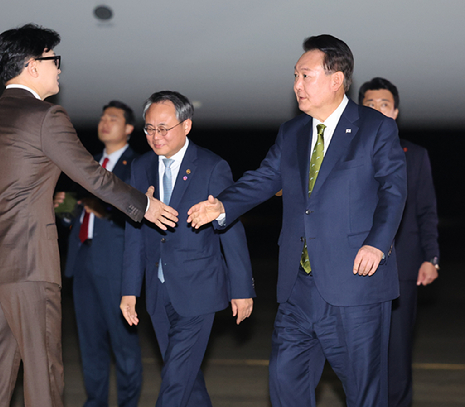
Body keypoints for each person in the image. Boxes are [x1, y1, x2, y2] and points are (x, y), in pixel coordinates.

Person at [187, 35, 407, 407]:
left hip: (355, 285)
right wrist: (222, 206)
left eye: (305, 76)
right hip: (298, 287)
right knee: (285, 380)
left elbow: (393, 191)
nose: (296, 86)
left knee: (364, 392)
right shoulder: (292, 133)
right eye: (295, 76)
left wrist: (376, 242)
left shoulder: (375, 129)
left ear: (336, 79)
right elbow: (263, 178)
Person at [0, 24, 177, 407]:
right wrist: (144, 205)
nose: (59, 70)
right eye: (54, 60)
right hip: (31, 270)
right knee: (43, 376)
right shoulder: (45, 117)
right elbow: (93, 175)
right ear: (33, 65)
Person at [120, 91, 255, 407]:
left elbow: (231, 228)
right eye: (150, 128)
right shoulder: (140, 168)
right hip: (157, 290)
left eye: (164, 128)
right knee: (187, 380)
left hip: (199, 289)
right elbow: (134, 233)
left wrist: (242, 288)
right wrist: (129, 291)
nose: (156, 136)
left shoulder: (211, 166)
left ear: (187, 126)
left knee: (175, 382)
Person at [359, 77, 440, 407]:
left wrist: (430, 257)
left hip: (401, 268)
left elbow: (426, 210)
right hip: (353, 269)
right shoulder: (346, 152)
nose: (377, 109)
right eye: (370, 104)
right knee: (358, 352)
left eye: (384, 104)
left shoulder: (415, 155)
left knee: (397, 350)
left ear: (395, 112)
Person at [60, 100, 143, 407]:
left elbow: (141, 211)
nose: (105, 122)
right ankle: (95, 401)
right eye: (103, 118)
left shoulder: (136, 166)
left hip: (117, 263)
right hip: (82, 260)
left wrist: (107, 210)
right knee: (89, 342)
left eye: (113, 118)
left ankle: (127, 403)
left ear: (129, 129)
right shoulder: (87, 163)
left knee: (123, 344)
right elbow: (72, 213)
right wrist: (64, 208)